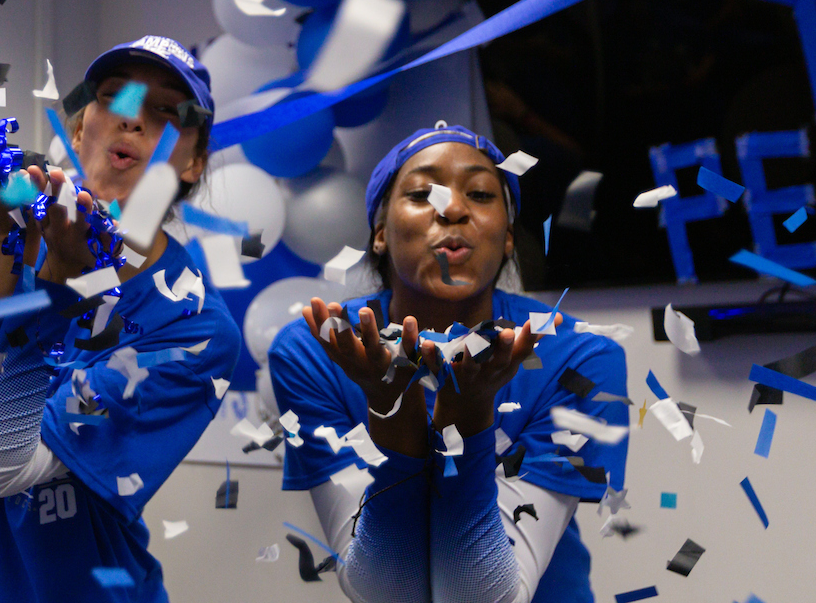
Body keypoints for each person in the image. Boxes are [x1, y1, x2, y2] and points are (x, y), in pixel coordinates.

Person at [0, 36, 241, 603]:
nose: (134, 119)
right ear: (80, 128)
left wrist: (57, 291)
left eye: (168, 111)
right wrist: (7, 237)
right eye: (115, 96)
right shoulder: (3, 233)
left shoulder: (197, 326)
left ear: (193, 161)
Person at [269, 123, 629, 603]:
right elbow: (384, 593)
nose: (453, 208)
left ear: (506, 238)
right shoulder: (318, 349)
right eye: (422, 192)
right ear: (379, 234)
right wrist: (389, 406)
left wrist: (469, 414)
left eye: (480, 194)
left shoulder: (579, 356)